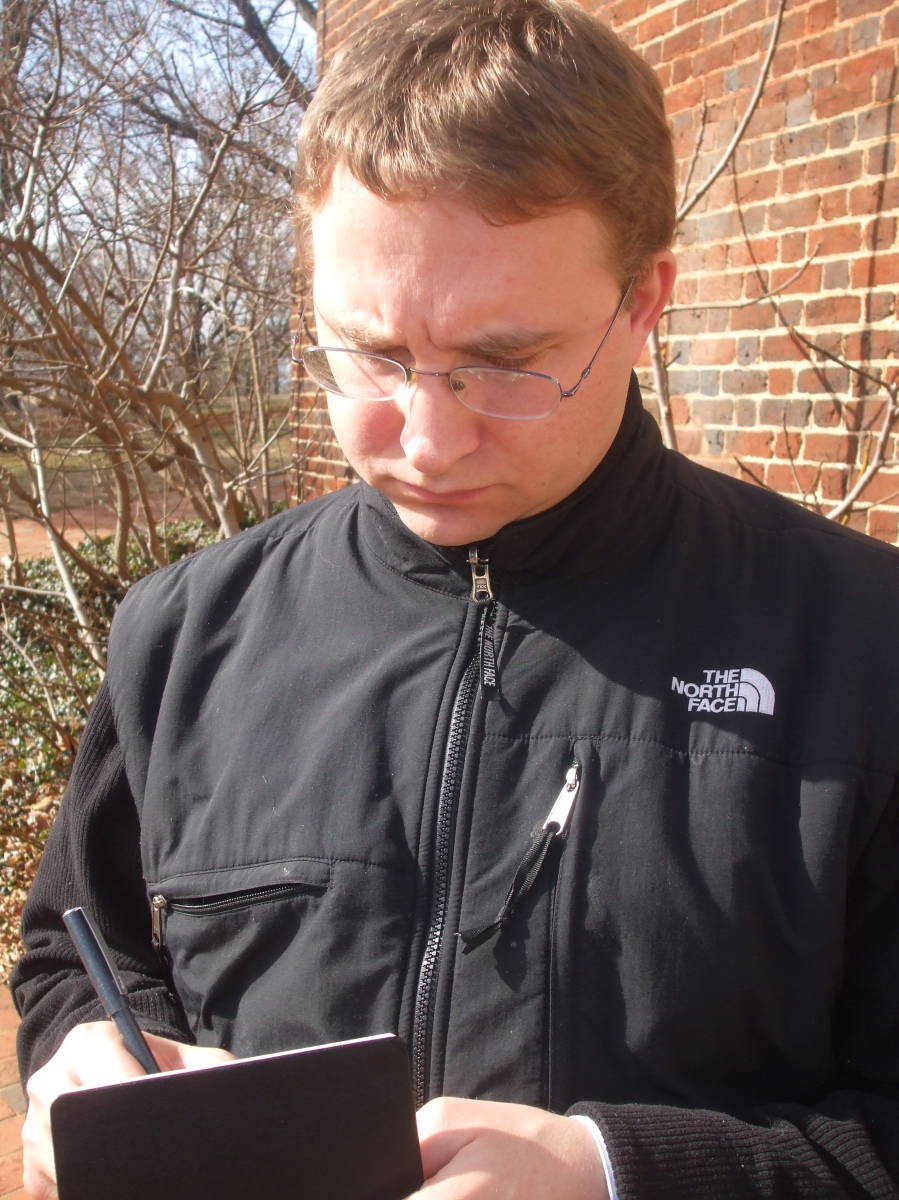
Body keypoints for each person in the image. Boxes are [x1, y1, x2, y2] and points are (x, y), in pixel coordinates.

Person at [11, 1, 899, 1197]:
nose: (427, 440)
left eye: (503, 362)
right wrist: (82, 1053)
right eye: (371, 354)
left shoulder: (860, 646)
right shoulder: (182, 635)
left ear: (643, 300)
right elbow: (77, 957)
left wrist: (613, 1172)